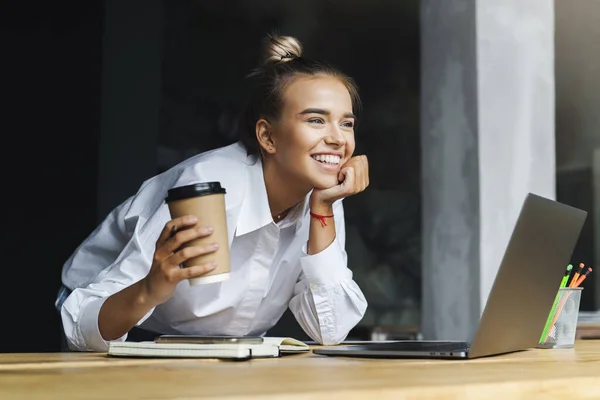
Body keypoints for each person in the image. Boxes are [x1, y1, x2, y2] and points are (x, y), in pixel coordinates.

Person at [57, 33, 370, 352]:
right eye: (316, 120)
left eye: (346, 124)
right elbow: (83, 325)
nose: (337, 139)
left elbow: (330, 331)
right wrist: (152, 287)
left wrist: (323, 210)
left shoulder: (323, 196)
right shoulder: (208, 187)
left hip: (222, 349)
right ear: (267, 136)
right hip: (121, 328)